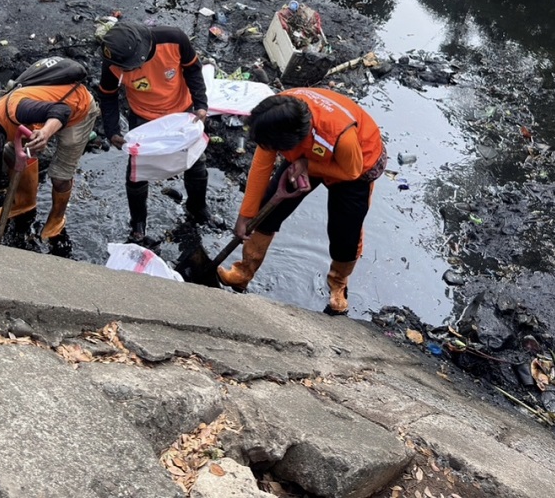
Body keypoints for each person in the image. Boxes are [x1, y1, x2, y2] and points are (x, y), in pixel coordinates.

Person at [219, 88, 387, 315]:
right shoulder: (276, 117)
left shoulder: (341, 136)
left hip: (356, 164)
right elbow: (261, 166)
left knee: (344, 232)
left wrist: (309, 165)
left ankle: (338, 284)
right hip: (305, 157)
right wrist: (246, 215)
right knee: (267, 212)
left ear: (292, 142)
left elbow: (351, 171)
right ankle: (243, 272)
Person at [0, 75, 100, 253]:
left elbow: (62, 111)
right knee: (11, 153)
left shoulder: (17, 110)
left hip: (77, 110)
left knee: (59, 175)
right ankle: (25, 203)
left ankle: (57, 219)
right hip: (43, 113)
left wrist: (45, 133)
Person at [98, 19, 209, 243]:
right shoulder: (112, 62)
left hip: (181, 113)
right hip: (144, 120)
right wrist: (112, 131)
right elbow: (107, 95)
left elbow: (194, 71)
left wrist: (201, 104)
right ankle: (138, 223)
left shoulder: (174, 39)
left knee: (196, 163)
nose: (130, 71)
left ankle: (198, 208)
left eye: (132, 66)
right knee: (137, 174)